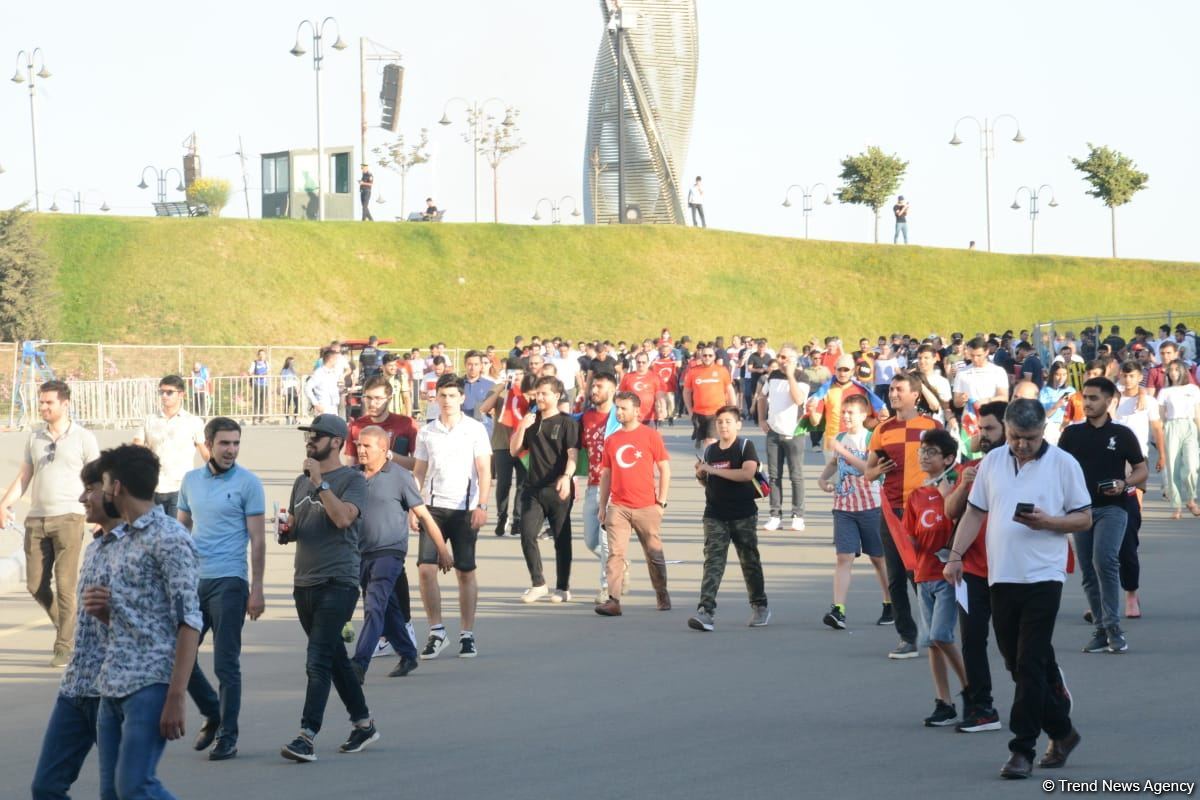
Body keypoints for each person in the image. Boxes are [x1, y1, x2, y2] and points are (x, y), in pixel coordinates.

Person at [944, 399, 1089, 779]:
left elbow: (1085, 517)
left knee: (1029, 662)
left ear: (1045, 430)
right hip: (1002, 576)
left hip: (1044, 576)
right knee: (1016, 662)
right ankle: (1062, 731)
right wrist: (955, 555)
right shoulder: (992, 462)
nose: (1022, 445)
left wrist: (1049, 522)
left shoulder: (1063, 465)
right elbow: (975, 511)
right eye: (1015, 437)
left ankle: (1021, 749)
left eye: (1031, 438)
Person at [84, 444, 202, 799]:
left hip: (150, 685)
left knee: (135, 785)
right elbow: (137, 613)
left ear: (117, 487)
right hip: (113, 684)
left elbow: (189, 622)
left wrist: (176, 695)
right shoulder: (119, 539)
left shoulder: (169, 538)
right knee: (112, 793)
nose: (101, 492)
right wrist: (105, 611)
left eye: (103, 483)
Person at [279, 414, 378, 762]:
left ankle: (306, 735)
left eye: (317, 435)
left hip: (339, 581)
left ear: (336, 441)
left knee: (317, 659)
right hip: (304, 581)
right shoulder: (299, 482)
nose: (310, 440)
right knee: (334, 657)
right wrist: (286, 530)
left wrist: (321, 484)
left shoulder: (353, 480)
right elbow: (296, 525)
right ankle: (363, 724)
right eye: (309, 434)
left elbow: (342, 519)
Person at [177, 417, 266, 762]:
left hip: (230, 581)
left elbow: (258, 539)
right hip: (194, 583)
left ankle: (228, 735)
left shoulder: (248, 484)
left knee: (226, 664)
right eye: (225, 443)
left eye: (236, 443)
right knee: (177, 656)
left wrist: (256, 589)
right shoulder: (190, 481)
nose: (231, 450)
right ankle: (213, 711)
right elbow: (181, 531)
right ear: (209, 444)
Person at [30, 459, 114, 799]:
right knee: (46, 787)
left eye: (91, 489)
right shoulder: (95, 548)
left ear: (115, 491)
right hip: (76, 688)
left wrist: (176, 697)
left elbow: (172, 629)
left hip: (114, 693)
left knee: (123, 790)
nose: (82, 497)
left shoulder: (153, 545)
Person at [0, 380, 100, 667]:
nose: (43, 407)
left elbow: (96, 479)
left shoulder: (83, 438)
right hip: (37, 519)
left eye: (48, 403)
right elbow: (24, 476)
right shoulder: (35, 438)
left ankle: (63, 646)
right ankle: (68, 630)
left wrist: (100, 516)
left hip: (70, 517)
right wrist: (4, 505)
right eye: (41, 402)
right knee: (35, 584)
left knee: (66, 584)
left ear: (64, 404)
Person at [350, 426, 452, 683]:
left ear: (384, 450)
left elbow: (423, 515)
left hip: (389, 552)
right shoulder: (353, 477)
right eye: (358, 445)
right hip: (361, 553)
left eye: (367, 446)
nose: (360, 450)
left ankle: (359, 663)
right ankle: (407, 654)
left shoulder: (399, 476)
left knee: (374, 606)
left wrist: (442, 549)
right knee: (388, 609)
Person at [1058, 377, 1146, 655]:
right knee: (1087, 569)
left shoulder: (1122, 434)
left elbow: (1142, 470)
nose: (1087, 403)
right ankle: (1101, 629)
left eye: (1094, 398)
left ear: (1110, 401)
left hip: (1113, 507)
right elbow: (1056, 470)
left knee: (1104, 560)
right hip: (1080, 510)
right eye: (1085, 397)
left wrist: (1125, 483)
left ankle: (1114, 627)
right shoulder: (1071, 435)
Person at [412, 374, 493, 659]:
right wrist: (413, 505)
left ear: (462, 398)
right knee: (425, 569)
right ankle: (436, 631)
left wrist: (482, 505)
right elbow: (419, 471)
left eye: (452, 396)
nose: (446, 401)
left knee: (465, 571)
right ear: (435, 398)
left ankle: (467, 634)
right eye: (442, 396)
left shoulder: (475, 429)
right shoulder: (427, 431)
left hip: (465, 508)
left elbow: (484, 470)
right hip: (432, 508)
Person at [864, 373, 941, 658]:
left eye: (899, 389)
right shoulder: (883, 430)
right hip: (893, 511)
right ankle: (906, 636)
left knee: (921, 574)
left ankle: (935, 630)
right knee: (895, 576)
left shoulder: (932, 427)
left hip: (925, 511)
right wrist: (877, 472)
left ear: (915, 395)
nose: (893, 394)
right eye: (892, 389)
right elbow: (868, 473)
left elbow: (947, 465)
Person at [942, 400, 1007, 733]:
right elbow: (952, 512)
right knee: (972, 640)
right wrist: (965, 484)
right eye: (980, 429)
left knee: (1016, 646)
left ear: (1009, 428)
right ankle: (982, 707)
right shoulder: (974, 468)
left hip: (1011, 571)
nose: (983, 435)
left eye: (990, 429)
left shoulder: (1023, 468)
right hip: (973, 571)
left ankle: (1049, 688)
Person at [903, 429, 968, 727]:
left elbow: (963, 524)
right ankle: (944, 701)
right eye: (922, 451)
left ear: (948, 459)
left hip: (948, 575)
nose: (924, 456)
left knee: (940, 634)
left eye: (931, 452)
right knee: (931, 642)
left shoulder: (955, 488)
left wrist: (947, 496)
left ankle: (971, 689)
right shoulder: (916, 495)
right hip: (923, 574)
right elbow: (911, 536)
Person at [687, 405, 769, 631]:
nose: (723, 425)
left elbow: (747, 473)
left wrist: (713, 471)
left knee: (749, 560)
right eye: (720, 422)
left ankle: (760, 605)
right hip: (715, 514)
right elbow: (708, 482)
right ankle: (705, 611)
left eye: (728, 421)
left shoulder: (745, 446)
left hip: (743, 514)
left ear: (738, 425)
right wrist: (702, 474)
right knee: (713, 561)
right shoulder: (711, 451)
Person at [594, 391, 672, 616]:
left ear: (637, 411)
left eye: (624, 408)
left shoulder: (650, 436)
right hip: (618, 507)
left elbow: (664, 468)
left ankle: (661, 592)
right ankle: (613, 600)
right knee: (615, 555)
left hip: (647, 506)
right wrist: (602, 505)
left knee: (654, 554)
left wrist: (661, 502)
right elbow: (606, 474)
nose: (619, 412)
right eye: (617, 408)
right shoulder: (612, 439)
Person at [817, 394, 891, 630]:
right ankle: (838, 609)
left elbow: (869, 470)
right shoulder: (840, 438)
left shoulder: (871, 439)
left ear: (863, 415)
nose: (847, 416)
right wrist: (822, 479)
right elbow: (834, 463)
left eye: (852, 412)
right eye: (844, 412)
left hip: (871, 507)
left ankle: (890, 602)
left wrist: (845, 452)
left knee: (878, 559)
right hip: (844, 507)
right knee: (844, 557)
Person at [511, 376, 580, 603]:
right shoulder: (531, 421)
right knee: (527, 534)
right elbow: (514, 451)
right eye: (537, 393)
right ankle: (538, 583)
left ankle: (562, 587)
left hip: (558, 487)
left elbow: (573, 454)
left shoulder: (567, 422)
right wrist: (522, 426)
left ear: (556, 396)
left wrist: (567, 477)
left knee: (562, 538)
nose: (539, 397)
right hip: (533, 489)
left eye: (544, 393)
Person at [1112, 361, 1164, 619]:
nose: (1127, 379)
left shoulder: (1147, 400)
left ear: (1140, 377)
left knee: (1131, 523)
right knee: (1098, 552)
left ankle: (1131, 593)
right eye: (1124, 374)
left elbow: (1156, 429)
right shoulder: (1112, 398)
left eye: (1132, 375)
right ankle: (1100, 599)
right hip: (1108, 469)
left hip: (1136, 461)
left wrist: (1162, 454)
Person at [132, 375, 209, 521]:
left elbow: (205, 452)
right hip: (153, 488)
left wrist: (219, 476)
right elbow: (136, 447)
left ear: (181, 394)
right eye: (161, 392)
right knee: (153, 537)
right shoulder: (149, 420)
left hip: (180, 489)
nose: (164, 396)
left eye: (169, 392)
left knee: (177, 536)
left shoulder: (193, 422)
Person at [756, 344, 809, 532]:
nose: (780, 360)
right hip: (774, 432)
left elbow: (799, 399)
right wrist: (762, 419)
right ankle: (774, 515)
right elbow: (761, 397)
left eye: (785, 357)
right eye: (779, 356)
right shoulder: (773, 375)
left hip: (794, 433)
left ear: (794, 360)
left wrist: (791, 374)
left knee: (796, 476)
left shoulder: (802, 377)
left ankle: (797, 515)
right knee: (774, 476)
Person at [578, 372, 617, 602]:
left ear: (612, 390)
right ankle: (618, 561)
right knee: (590, 540)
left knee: (604, 540)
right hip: (593, 485)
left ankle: (606, 587)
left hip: (615, 488)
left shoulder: (619, 417)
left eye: (599, 387)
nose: (593, 391)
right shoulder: (585, 418)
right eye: (593, 387)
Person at [807, 353, 886, 463]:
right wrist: (811, 411)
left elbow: (867, 422)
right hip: (832, 445)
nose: (842, 373)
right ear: (835, 370)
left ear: (852, 371)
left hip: (855, 447)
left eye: (846, 370)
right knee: (832, 480)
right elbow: (815, 422)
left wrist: (878, 419)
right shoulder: (825, 391)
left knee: (855, 480)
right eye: (839, 370)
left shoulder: (861, 391)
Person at [342, 375, 419, 469]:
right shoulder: (355, 426)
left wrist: (388, 455)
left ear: (389, 399)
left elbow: (417, 464)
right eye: (368, 398)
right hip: (365, 481)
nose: (372, 403)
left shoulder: (407, 424)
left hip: (396, 481)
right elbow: (350, 464)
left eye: (378, 398)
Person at [1157, 360, 1200, 518]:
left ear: (1183, 371)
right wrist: (1160, 434)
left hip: (1190, 426)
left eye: (1177, 369)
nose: (1173, 372)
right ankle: (1177, 506)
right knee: (1173, 467)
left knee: (1192, 466)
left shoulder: (1193, 389)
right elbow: (1161, 416)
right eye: (1171, 370)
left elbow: (1198, 413)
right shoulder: (1165, 392)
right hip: (1171, 426)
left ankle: (1191, 499)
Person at [683, 344, 735, 452]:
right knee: (704, 439)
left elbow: (730, 390)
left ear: (714, 357)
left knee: (711, 439)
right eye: (705, 355)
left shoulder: (722, 370)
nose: (707, 358)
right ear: (701, 356)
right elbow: (686, 392)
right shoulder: (693, 372)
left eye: (710, 355)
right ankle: (708, 459)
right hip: (699, 413)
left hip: (717, 412)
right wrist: (689, 410)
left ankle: (710, 463)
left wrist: (732, 409)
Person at [619, 352, 665, 425]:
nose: (641, 364)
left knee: (649, 436)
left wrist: (662, 410)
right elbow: (621, 396)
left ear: (648, 363)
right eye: (638, 362)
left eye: (643, 362)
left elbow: (660, 396)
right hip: (632, 416)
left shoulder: (655, 377)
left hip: (650, 417)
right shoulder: (627, 377)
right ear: (635, 362)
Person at [1038, 362, 1077, 445]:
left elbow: (1076, 414)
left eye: (1064, 374)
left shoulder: (1071, 391)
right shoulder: (1043, 392)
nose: (1061, 378)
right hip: (1050, 429)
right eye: (1058, 374)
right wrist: (1056, 406)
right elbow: (1041, 416)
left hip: (1068, 427)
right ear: (1052, 374)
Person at [305, 349, 343, 418]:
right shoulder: (319, 373)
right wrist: (316, 404)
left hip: (334, 408)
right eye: (336, 359)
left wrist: (340, 389)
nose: (337, 362)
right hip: (323, 409)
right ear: (331, 359)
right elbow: (307, 388)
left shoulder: (334, 373)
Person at [249, 349, 270, 422]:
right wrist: (257, 376)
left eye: (263, 354)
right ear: (258, 355)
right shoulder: (254, 363)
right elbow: (250, 372)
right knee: (256, 401)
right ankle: (254, 418)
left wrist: (264, 375)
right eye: (260, 354)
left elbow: (268, 372)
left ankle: (261, 418)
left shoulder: (266, 363)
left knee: (263, 401)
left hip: (265, 384)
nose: (262, 356)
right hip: (256, 384)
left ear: (265, 355)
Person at [281, 357, 301, 425]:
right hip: (288, 388)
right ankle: (287, 418)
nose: (292, 363)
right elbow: (282, 380)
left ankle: (295, 418)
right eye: (291, 362)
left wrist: (298, 387)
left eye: (293, 362)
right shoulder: (284, 370)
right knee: (287, 404)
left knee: (296, 404)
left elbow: (297, 378)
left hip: (294, 387)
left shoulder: (294, 370)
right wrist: (283, 389)